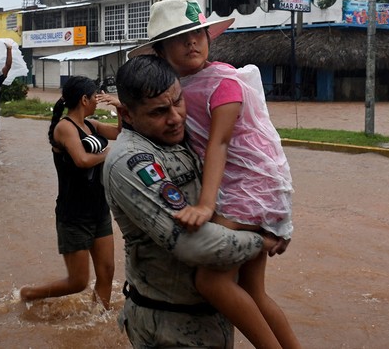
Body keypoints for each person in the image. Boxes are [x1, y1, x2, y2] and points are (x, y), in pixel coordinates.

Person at [134, 0, 299, 348]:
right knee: (252, 290)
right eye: (180, 37)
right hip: (248, 188)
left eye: (198, 33)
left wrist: (207, 206)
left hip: (249, 188)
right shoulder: (179, 90)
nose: (192, 42)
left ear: (209, 38)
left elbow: (219, 144)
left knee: (211, 282)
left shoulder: (224, 82)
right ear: (162, 51)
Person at [103, 55, 279, 348]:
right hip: (169, 329)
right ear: (128, 115)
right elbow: (192, 244)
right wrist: (261, 242)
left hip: (212, 320)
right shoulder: (131, 162)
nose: (175, 117)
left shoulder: (184, 135)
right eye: (159, 112)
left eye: (178, 102)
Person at [20, 76, 120, 309]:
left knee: (107, 272)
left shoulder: (91, 125)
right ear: (84, 99)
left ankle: (97, 320)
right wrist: (109, 155)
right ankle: (29, 294)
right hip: (74, 214)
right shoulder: (64, 127)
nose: (97, 101)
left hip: (99, 208)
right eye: (95, 97)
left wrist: (120, 107)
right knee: (78, 282)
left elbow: (119, 133)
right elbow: (82, 160)